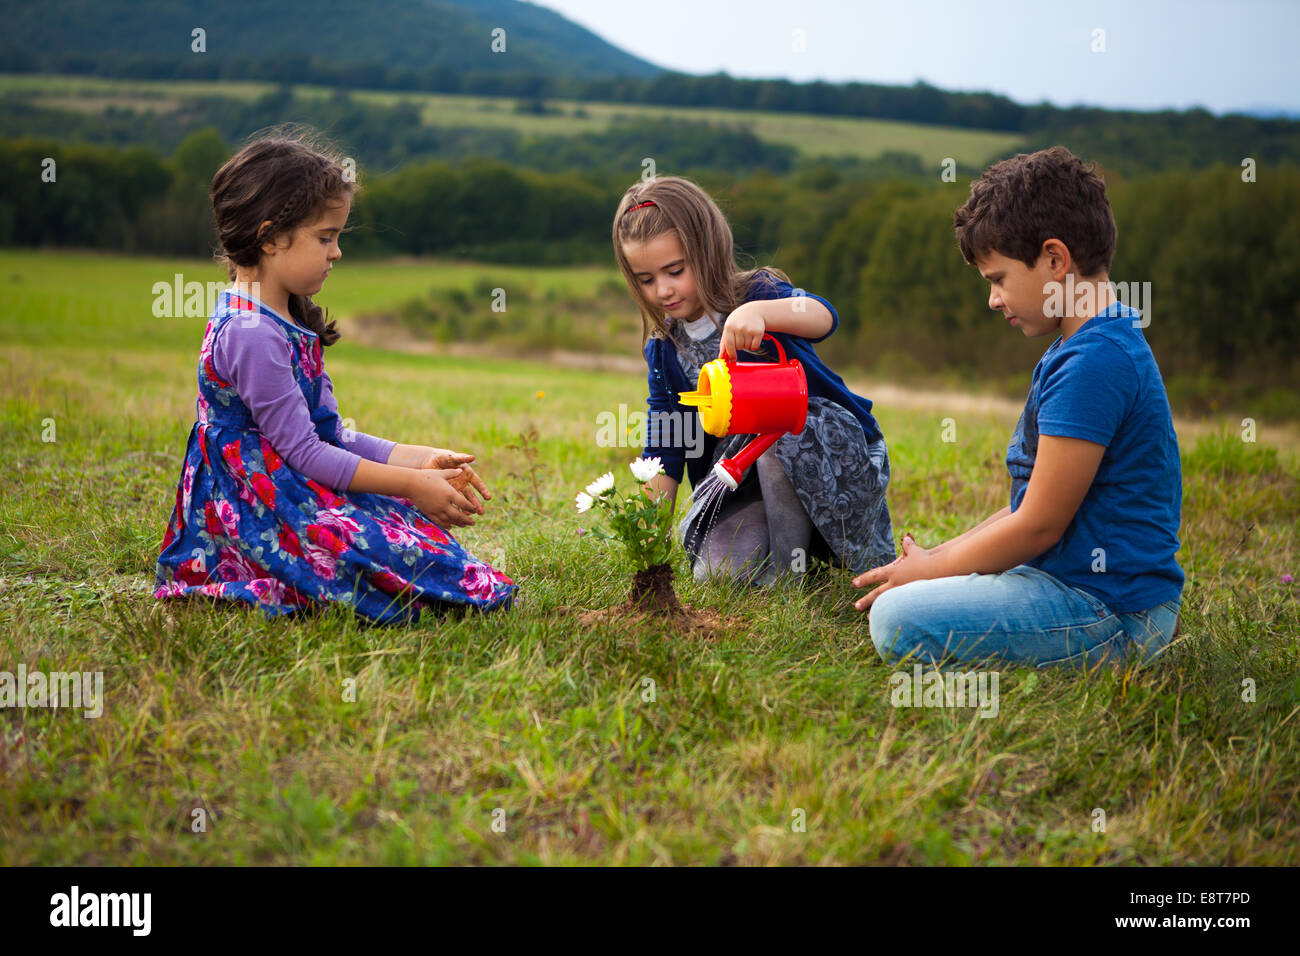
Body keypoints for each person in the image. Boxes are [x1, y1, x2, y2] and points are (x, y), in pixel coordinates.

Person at [154, 133, 515, 624]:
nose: (337, 252)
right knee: (384, 566)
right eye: (326, 237)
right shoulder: (251, 333)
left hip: (294, 489)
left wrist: (417, 459)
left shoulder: (282, 317)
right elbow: (306, 454)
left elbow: (329, 435)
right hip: (256, 511)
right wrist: (410, 485)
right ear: (270, 237)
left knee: (421, 551)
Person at [855, 146, 1183, 668]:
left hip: (1111, 612)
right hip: (1068, 585)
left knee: (897, 617)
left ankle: (1119, 650)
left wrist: (931, 575)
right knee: (911, 594)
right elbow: (1027, 509)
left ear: (1055, 260)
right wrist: (936, 560)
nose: (993, 299)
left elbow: (1037, 527)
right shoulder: (1085, 344)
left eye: (998, 279)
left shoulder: (1094, 363)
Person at [613, 176, 895, 586]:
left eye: (675, 270)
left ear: (706, 250)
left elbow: (823, 316)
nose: (664, 290)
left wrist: (763, 313)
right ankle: (798, 554)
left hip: (828, 458)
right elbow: (666, 446)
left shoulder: (756, 292)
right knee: (716, 575)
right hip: (743, 484)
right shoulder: (665, 349)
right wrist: (649, 543)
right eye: (646, 279)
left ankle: (790, 577)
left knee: (774, 436)